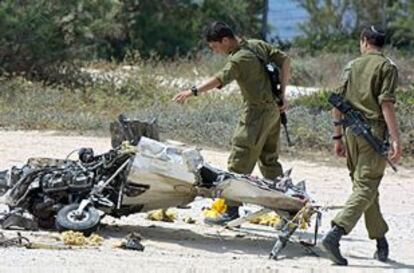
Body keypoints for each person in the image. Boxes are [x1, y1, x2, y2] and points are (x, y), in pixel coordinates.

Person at [173, 21, 291, 225]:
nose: (215, 51)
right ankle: (288, 208)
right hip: (272, 110)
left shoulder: (239, 59)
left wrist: (192, 92)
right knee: (270, 161)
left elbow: (219, 79)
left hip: (256, 114)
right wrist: (282, 93)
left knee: (239, 159)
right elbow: (285, 59)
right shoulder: (256, 45)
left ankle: (231, 210)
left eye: (215, 46)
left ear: (225, 40)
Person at [322, 25, 402, 266]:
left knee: (365, 188)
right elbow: (386, 104)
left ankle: (380, 241)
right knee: (366, 187)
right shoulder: (387, 66)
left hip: (350, 133)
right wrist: (397, 138)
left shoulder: (352, 66)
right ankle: (336, 233)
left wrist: (337, 137)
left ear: (365, 41)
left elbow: (336, 103)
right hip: (373, 134)